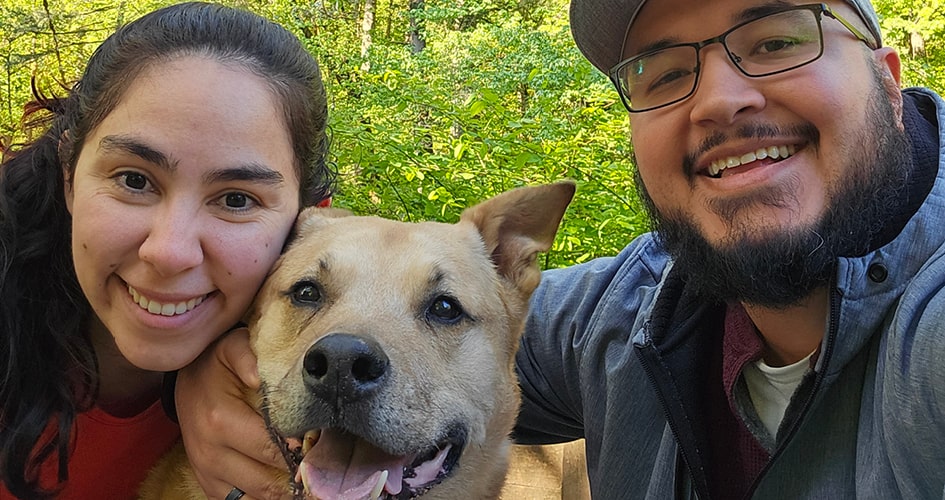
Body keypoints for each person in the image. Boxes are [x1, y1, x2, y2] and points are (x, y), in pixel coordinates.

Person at [175, 0, 945, 498]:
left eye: (777, 40)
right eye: (665, 71)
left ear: (885, 80)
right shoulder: (613, 320)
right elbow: (402, 340)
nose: (719, 99)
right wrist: (210, 369)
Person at [0, 2, 333, 498]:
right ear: (69, 174)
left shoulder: (322, 383)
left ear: (309, 221)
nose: (170, 252)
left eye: (236, 199)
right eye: (134, 180)